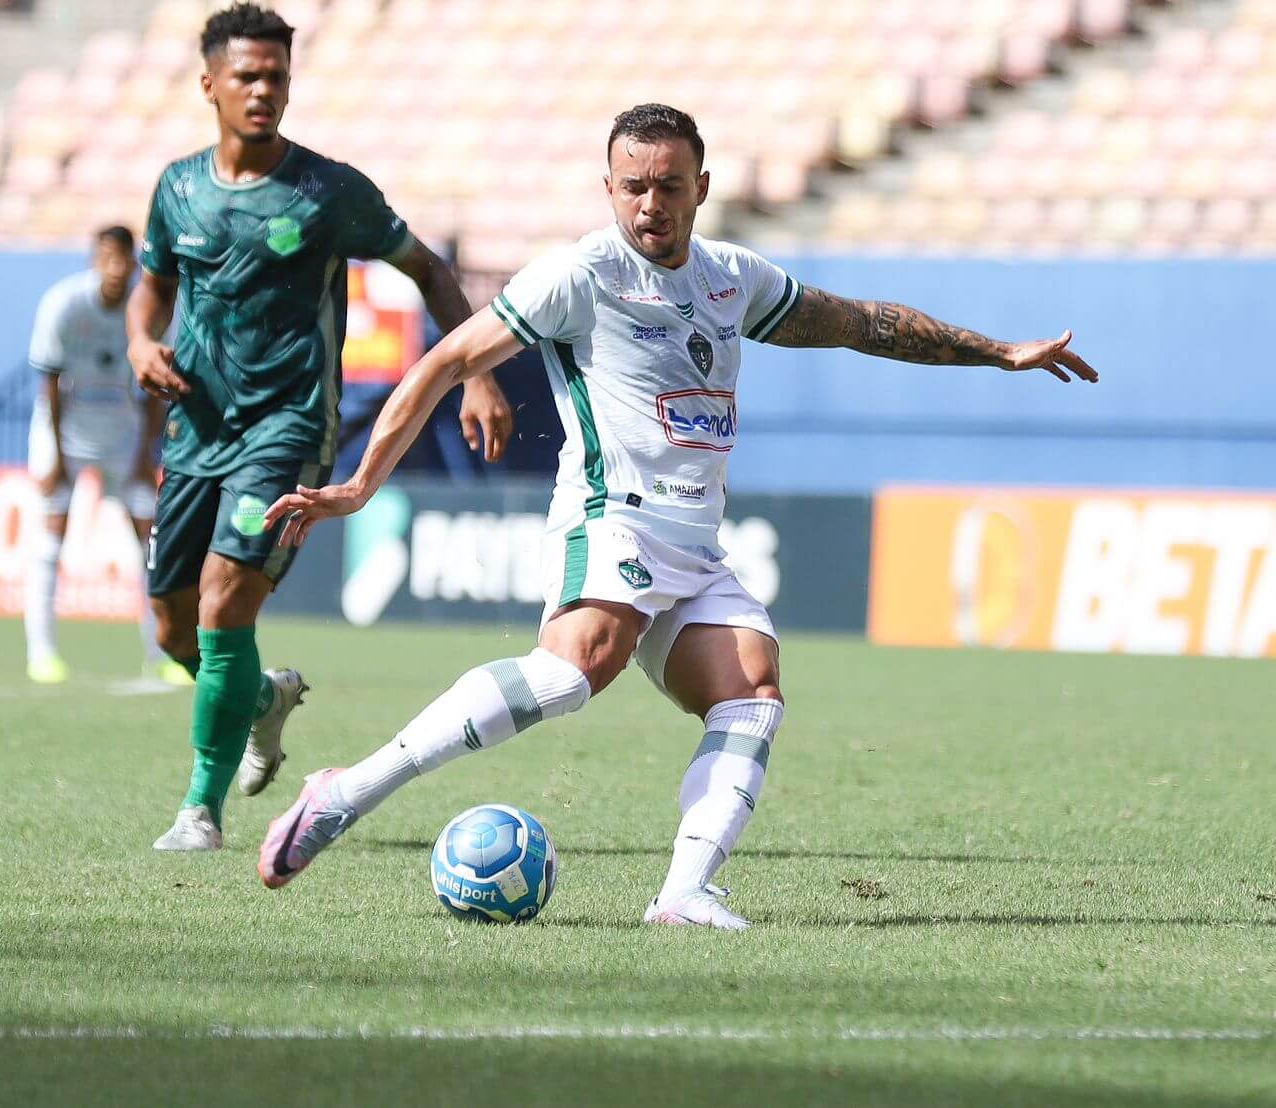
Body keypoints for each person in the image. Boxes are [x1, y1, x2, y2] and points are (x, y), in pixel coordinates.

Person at [255, 103, 1098, 928]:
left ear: (701, 186)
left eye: (667, 186)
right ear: (609, 188)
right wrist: (360, 486)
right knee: (574, 670)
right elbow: (443, 360)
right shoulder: (580, 276)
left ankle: (683, 894)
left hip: (695, 545)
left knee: (752, 691)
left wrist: (999, 352)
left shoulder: (733, 280)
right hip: (610, 517)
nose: (649, 205)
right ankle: (345, 792)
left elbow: (860, 324)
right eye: (632, 187)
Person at [126, 3, 514, 853]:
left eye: (277, 77)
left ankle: (200, 808)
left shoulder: (329, 190)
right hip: (196, 427)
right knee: (171, 624)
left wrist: (477, 374)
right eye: (247, 77)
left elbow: (429, 269)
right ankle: (259, 701)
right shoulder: (178, 187)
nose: (264, 92)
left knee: (227, 602)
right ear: (209, 87)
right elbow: (152, 285)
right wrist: (138, 344)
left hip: (291, 428)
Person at [25, 225, 187, 687]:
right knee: (50, 537)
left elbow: (157, 388)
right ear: (95, 261)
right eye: (106, 259)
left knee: (149, 542)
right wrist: (55, 457)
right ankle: (42, 653)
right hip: (66, 433)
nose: (115, 269)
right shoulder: (64, 304)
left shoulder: (150, 311)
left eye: (123, 259)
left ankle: (162, 654)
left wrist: (145, 452)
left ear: (134, 262)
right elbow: (50, 384)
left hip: (124, 435)